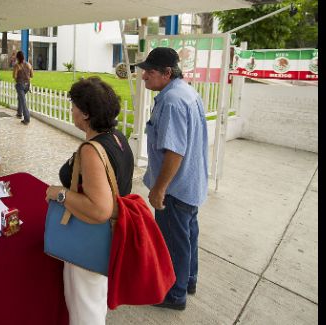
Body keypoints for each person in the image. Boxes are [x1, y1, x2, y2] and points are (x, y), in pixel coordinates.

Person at [44, 77, 134, 325]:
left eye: (73, 106)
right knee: (93, 301)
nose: (71, 110)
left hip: (89, 236)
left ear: (85, 113)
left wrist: (58, 194)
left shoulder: (92, 150)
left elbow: (99, 209)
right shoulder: (117, 138)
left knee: (85, 311)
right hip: (106, 236)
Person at [136, 47, 209, 311]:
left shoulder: (172, 101)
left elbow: (174, 151)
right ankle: (188, 280)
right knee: (188, 235)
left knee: (174, 242)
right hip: (191, 184)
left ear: (167, 73)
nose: (144, 77)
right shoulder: (186, 92)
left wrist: (159, 189)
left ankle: (175, 295)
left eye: (150, 72)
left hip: (176, 189)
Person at [13, 51, 33, 125]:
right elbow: (32, 75)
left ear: (17, 58)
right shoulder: (28, 64)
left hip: (20, 85)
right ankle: (19, 113)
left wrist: (18, 79)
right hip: (27, 85)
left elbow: (14, 76)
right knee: (20, 98)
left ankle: (27, 119)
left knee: (23, 101)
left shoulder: (17, 66)